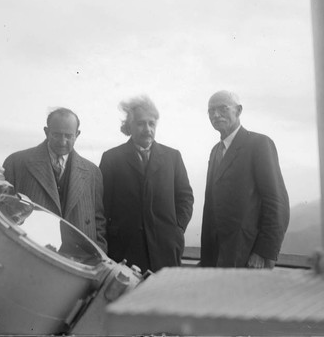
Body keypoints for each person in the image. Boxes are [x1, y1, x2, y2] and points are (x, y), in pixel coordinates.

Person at [99, 95, 194, 273]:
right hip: (125, 252)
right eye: (141, 123)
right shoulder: (111, 158)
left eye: (152, 123)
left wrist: (177, 229)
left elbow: (185, 197)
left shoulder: (172, 157)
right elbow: (102, 206)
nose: (147, 129)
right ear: (129, 126)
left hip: (165, 250)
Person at [200, 90, 290, 269]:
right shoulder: (215, 151)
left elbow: (277, 202)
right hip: (217, 256)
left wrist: (263, 252)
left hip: (248, 256)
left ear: (238, 111)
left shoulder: (259, 144)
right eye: (211, 111)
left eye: (223, 109)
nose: (216, 115)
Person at [2, 108, 107, 252]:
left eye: (68, 136)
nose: (62, 142)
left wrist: (99, 255)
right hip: (30, 251)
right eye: (56, 135)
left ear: (77, 134)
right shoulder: (16, 163)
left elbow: (98, 222)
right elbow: (3, 211)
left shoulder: (93, 172)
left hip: (78, 259)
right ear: (46, 132)